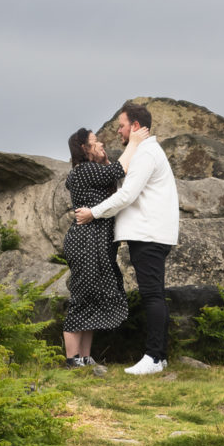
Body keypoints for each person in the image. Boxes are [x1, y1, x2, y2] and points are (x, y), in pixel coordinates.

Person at [75, 101, 179, 375]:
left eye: (121, 126)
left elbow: (127, 195)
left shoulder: (146, 153)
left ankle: (153, 358)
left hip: (148, 235)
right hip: (150, 234)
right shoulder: (144, 151)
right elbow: (125, 183)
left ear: (135, 126)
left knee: (152, 296)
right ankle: (160, 357)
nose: (118, 131)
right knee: (155, 295)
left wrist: (93, 213)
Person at [62, 125, 148, 369]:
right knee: (82, 297)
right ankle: (72, 360)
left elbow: (116, 178)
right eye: (95, 141)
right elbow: (119, 170)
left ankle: (85, 358)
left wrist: (108, 160)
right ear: (84, 148)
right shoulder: (84, 170)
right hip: (85, 243)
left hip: (97, 243)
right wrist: (134, 142)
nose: (101, 143)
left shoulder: (93, 170)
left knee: (93, 299)